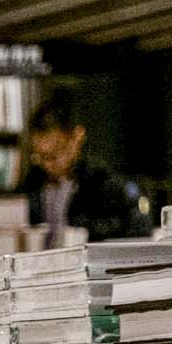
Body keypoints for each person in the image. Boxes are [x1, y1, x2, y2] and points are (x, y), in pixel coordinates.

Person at [20, 94, 152, 244]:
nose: (48, 164)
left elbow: (137, 228)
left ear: (77, 137)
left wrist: (86, 229)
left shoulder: (102, 182)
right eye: (41, 156)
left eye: (56, 153)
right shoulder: (32, 184)